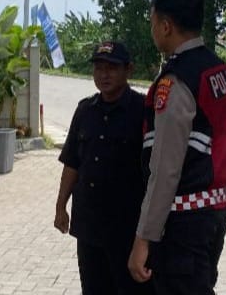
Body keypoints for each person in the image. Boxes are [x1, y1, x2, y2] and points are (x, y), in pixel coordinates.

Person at [128, 0, 226, 295]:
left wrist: (143, 238)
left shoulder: (177, 80)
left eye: (153, 23)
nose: (152, 31)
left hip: (184, 221)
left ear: (166, 26)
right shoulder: (219, 70)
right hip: (216, 210)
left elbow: (166, 168)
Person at [55, 41, 154, 295]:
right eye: (98, 68)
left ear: (128, 70)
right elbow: (72, 162)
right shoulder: (84, 110)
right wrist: (60, 206)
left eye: (111, 68)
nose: (104, 75)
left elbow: (157, 170)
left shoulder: (144, 111)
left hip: (128, 228)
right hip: (90, 226)